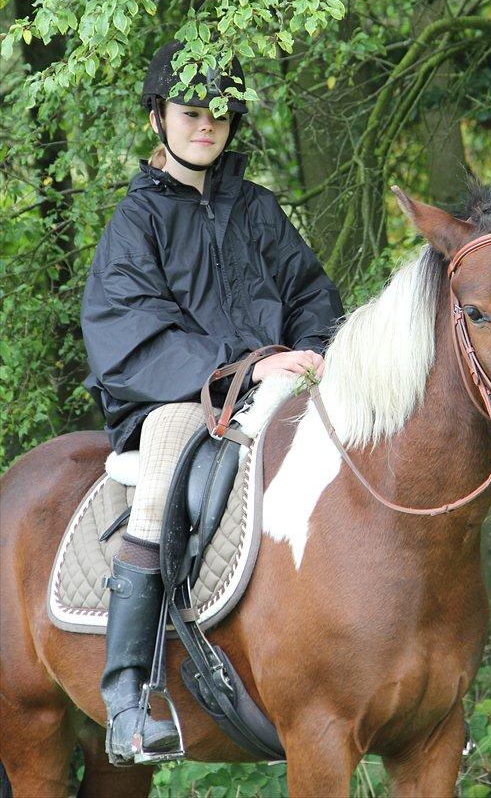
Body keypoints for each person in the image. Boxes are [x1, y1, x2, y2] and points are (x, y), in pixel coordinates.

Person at [81, 39, 343, 765]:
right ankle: (128, 698)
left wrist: (314, 351)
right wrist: (245, 370)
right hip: (172, 396)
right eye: (192, 113)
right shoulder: (135, 225)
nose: (207, 127)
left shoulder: (258, 211)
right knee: (165, 473)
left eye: (220, 116)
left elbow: (312, 296)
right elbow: (131, 333)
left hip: (276, 386)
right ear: (157, 117)